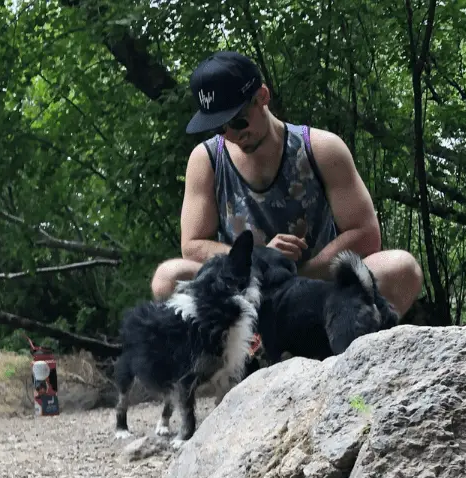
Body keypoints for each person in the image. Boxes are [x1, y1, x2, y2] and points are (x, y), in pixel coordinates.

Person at [151, 50, 423, 318]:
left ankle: (338, 340)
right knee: (168, 278)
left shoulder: (321, 148)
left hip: (319, 291)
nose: (232, 135)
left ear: (262, 97)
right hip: (246, 295)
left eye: (238, 121)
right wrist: (261, 259)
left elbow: (365, 233)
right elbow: (193, 244)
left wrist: (297, 276)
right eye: (220, 128)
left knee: (401, 268)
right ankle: (240, 351)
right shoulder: (207, 159)